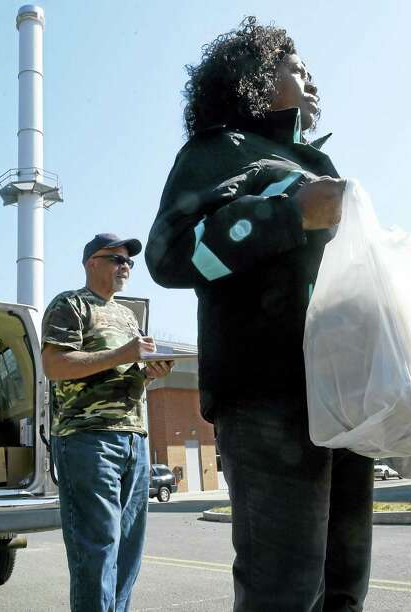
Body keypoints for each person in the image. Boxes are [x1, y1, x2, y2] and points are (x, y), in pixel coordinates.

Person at [146, 17, 373, 612]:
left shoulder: (314, 160)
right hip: (269, 391)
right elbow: (170, 256)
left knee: (345, 586)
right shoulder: (218, 150)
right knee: (285, 590)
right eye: (294, 67)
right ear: (252, 79)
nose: (309, 76)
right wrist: (289, 215)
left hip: (343, 392)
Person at [42, 232, 173, 612]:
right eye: (116, 259)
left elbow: (126, 366)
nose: (125, 267)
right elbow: (55, 365)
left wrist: (150, 371)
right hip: (88, 440)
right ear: (91, 263)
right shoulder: (70, 305)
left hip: (134, 439)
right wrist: (124, 353)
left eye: (129, 262)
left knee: (128, 550)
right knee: (97, 548)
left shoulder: (127, 316)